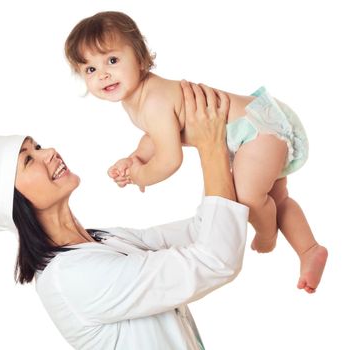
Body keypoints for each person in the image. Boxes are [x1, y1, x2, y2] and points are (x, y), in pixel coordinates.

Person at [0, 83, 249, 350]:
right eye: (29, 160)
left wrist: (242, 158)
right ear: (12, 202)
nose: (50, 152)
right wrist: (211, 147)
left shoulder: (101, 239)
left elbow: (202, 232)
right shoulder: (71, 277)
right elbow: (215, 260)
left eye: (38, 146)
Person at [64, 11, 328, 293]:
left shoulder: (153, 101)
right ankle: (309, 249)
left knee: (248, 198)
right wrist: (136, 158)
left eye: (112, 60)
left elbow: (170, 159)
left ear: (140, 59)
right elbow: (156, 136)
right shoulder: (138, 100)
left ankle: (267, 235)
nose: (103, 74)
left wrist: (142, 175)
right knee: (277, 198)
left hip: (256, 132)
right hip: (257, 123)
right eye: (90, 69)